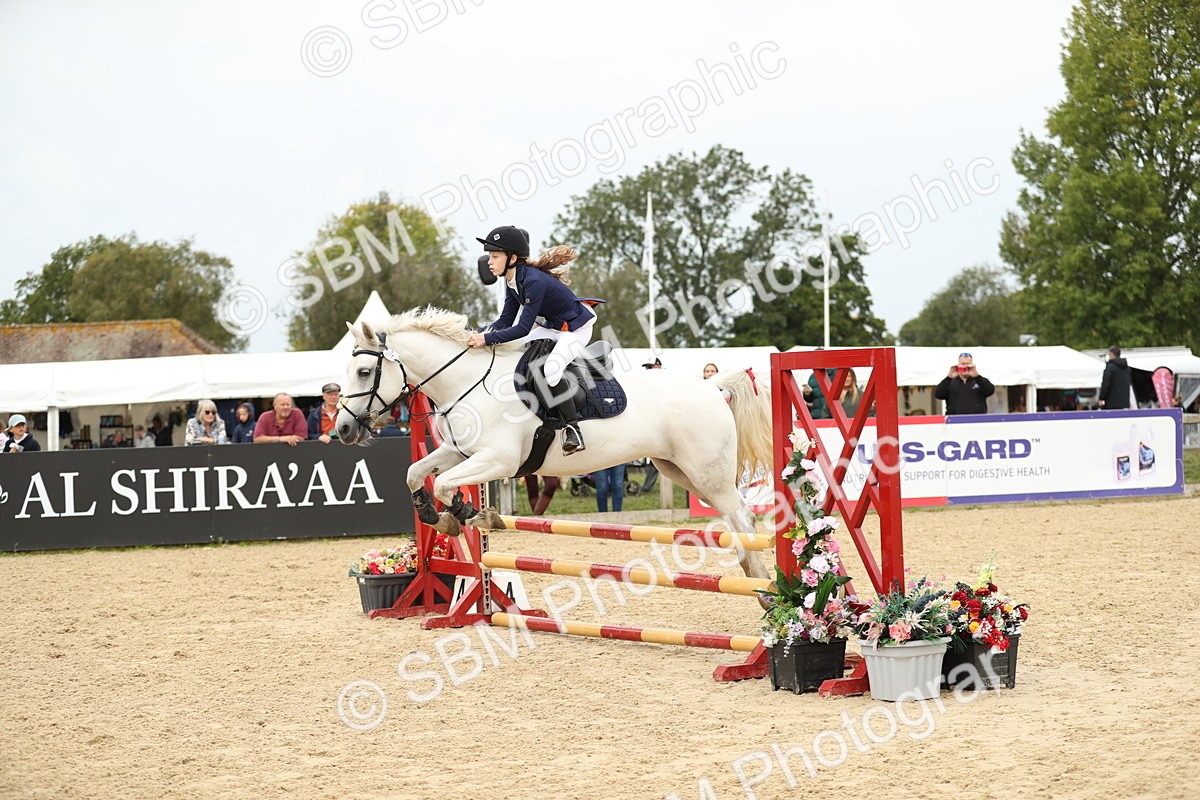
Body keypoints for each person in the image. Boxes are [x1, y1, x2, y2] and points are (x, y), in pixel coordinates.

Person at [467, 226, 597, 456]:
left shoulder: (533, 281)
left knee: (551, 369)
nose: (489, 261)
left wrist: (485, 339)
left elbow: (522, 328)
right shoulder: (512, 280)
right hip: (554, 327)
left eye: (495, 256)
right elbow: (505, 321)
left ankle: (573, 429)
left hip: (577, 329)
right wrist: (473, 333)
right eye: (489, 256)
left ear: (513, 258)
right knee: (514, 350)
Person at [1099, 346, 1132, 410]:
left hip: (1111, 403)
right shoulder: (1127, 368)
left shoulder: (1110, 367)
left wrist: (1101, 398)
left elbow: (1106, 384)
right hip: (1124, 402)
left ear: (1111, 354)